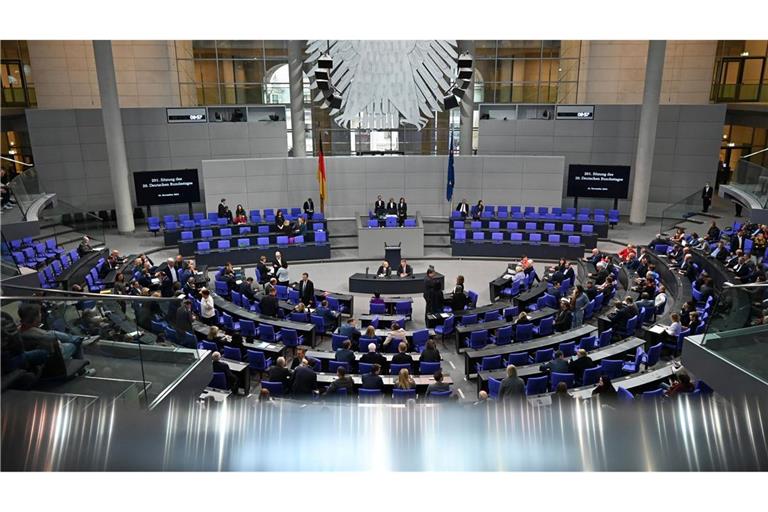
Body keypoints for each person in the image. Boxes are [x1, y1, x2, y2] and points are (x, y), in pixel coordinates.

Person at [17, 303, 96, 364]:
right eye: (39, 313)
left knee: (61, 336)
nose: (41, 315)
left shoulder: (17, 331)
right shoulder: (44, 335)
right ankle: (82, 370)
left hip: (40, 356)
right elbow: (58, 348)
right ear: (36, 318)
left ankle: (79, 339)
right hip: (56, 356)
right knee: (75, 344)